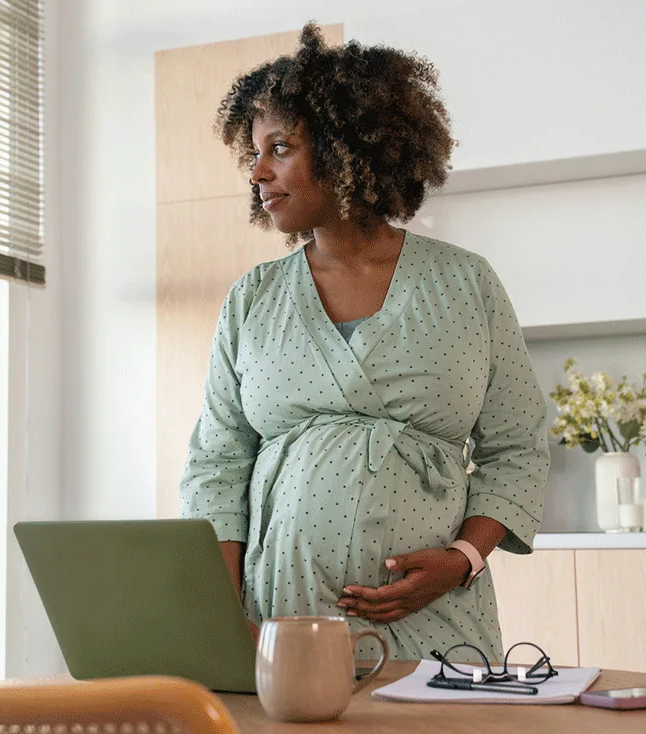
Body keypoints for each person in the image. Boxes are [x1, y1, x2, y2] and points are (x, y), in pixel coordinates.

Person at [180, 22, 549, 660]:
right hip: (279, 626)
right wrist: (222, 619)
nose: (258, 173)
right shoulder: (253, 299)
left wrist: (461, 561)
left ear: (347, 146)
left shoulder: (466, 284)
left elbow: (517, 447)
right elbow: (217, 467)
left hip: (435, 620)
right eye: (254, 154)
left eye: (280, 147)